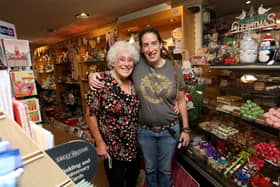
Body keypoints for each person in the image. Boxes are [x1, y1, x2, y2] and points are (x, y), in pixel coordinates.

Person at [89, 28, 190, 187]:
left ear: (160, 44)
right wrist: (92, 75)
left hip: (167, 130)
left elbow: (181, 99)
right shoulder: (136, 65)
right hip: (143, 132)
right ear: (141, 49)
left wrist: (186, 128)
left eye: (154, 43)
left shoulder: (173, 68)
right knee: (149, 170)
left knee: (164, 171)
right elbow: (117, 67)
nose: (150, 49)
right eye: (146, 45)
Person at [86, 40, 140, 187]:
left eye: (130, 60)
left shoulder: (135, 82)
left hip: (135, 147)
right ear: (112, 62)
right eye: (121, 59)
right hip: (113, 149)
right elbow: (91, 115)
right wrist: (99, 142)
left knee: (132, 183)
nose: (126, 64)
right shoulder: (101, 81)